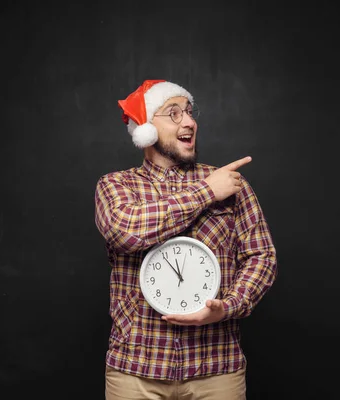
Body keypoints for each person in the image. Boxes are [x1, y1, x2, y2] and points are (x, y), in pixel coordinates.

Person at [94, 79, 278, 400]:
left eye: (190, 113)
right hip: (136, 369)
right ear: (147, 129)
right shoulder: (116, 186)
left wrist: (228, 307)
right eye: (174, 114)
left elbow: (261, 256)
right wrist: (207, 192)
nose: (190, 122)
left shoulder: (231, 185)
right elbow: (125, 230)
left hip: (216, 366)